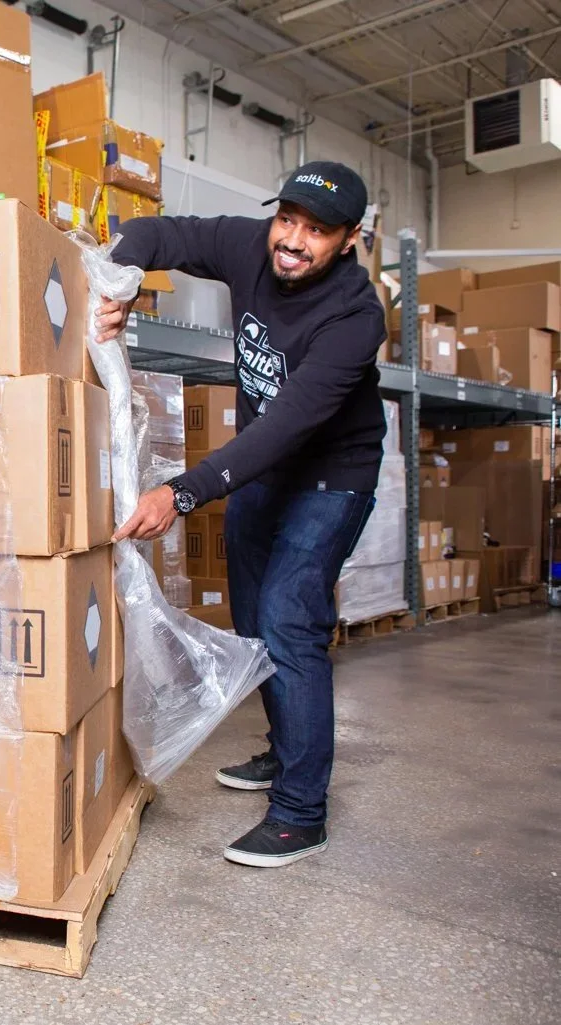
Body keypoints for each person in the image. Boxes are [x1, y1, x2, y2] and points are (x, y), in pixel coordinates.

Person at [97, 161, 384, 869]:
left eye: (317, 231)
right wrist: (119, 285)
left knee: (289, 618)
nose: (293, 240)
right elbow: (154, 231)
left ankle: (299, 811)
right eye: (288, 219)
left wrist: (182, 492)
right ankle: (280, 747)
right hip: (266, 472)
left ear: (349, 239)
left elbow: (284, 426)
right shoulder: (249, 245)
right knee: (254, 617)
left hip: (328, 476)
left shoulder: (355, 317)